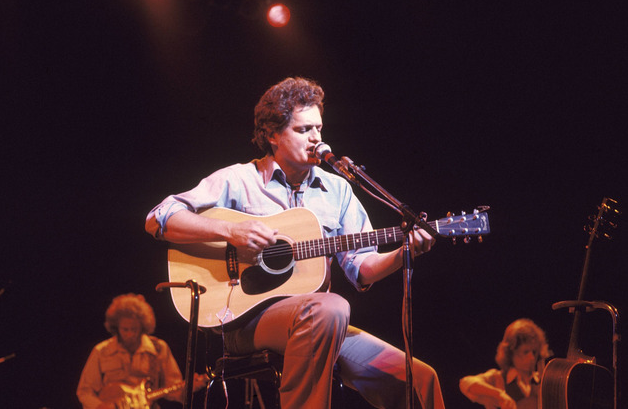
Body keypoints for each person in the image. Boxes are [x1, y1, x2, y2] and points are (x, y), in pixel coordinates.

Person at [144, 77, 445, 408]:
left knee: (419, 379)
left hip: (320, 322)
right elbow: (159, 218)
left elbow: (361, 268)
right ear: (273, 135)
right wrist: (230, 232)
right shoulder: (238, 179)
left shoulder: (339, 189)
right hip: (247, 322)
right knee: (330, 307)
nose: (316, 138)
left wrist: (404, 253)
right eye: (304, 130)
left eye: (318, 128)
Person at [77, 293, 186, 409]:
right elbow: (85, 391)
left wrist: (188, 388)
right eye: (125, 329)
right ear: (116, 327)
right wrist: (100, 406)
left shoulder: (158, 348)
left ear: (143, 326)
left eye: (134, 329)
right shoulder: (101, 351)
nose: (129, 334)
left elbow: (174, 389)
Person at [459, 318, 551, 409]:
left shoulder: (541, 380)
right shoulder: (498, 378)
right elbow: (466, 382)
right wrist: (499, 394)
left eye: (534, 352)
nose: (532, 357)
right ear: (511, 352)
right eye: (525, 352)